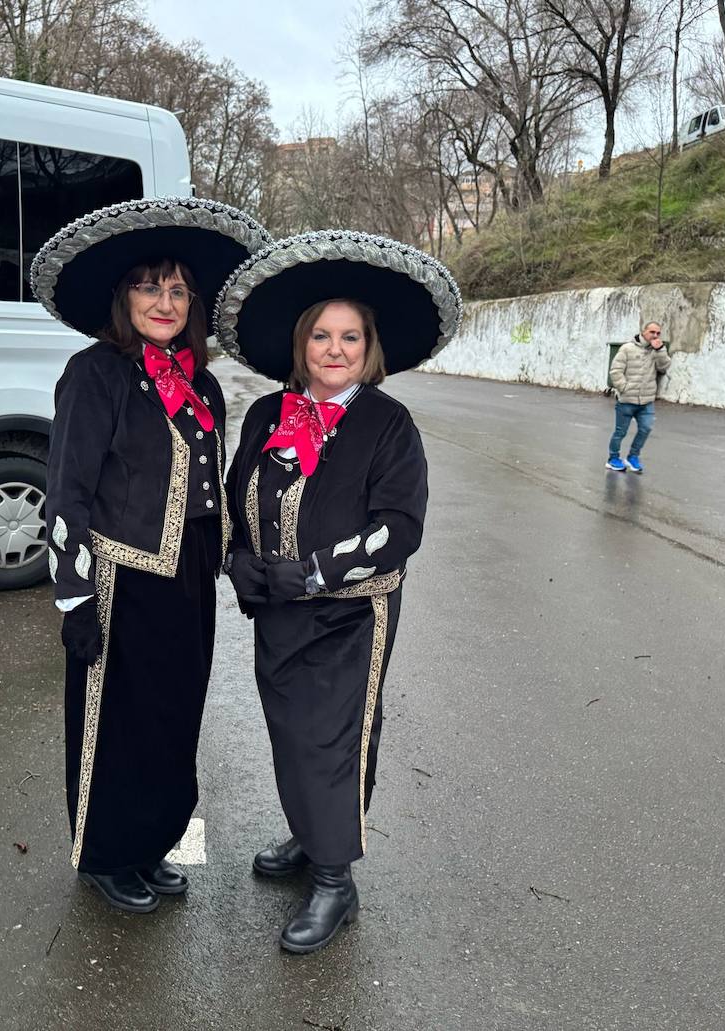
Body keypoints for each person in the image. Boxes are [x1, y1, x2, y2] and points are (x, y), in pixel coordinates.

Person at [216, 231, 460, 954]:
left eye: (349, 336)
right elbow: (238, 496)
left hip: (352, 615)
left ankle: (334, 879)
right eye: (320, 334)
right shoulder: (267, 414)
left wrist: (314, 572)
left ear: (369, 346)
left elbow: (399, 528)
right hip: (278, 612)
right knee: (291, 734)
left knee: (336, 737)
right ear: (301, 343)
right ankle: (308, 832)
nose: (334, 348)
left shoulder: (389, 424)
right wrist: (240, 560)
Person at [31, 197, 271, 913]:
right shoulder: (95, 373)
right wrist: (74, 598)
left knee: (173, 714)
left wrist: (238, 557)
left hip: (188, 575)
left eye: (176, 289)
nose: (164, 301)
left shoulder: (199, 383)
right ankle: (107, 853)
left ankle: (152, 840)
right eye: (148, 286)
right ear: (122, 295)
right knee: (118, 723)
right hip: (122, 575)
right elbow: (67, 491)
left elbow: (213, 485)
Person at [605, 321, 670, 473]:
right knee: (620, 432)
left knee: (646, 428)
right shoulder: (627, 348)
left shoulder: (658, 350)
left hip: (646, 401)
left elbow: (664, 367)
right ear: (643, 332)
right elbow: (615, 370)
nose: (655, 336)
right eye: (652, 332)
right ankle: (613, 458)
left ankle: (633, 456)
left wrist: (660, 349)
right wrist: (624, 388)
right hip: (627, 400)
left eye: (658, 333)